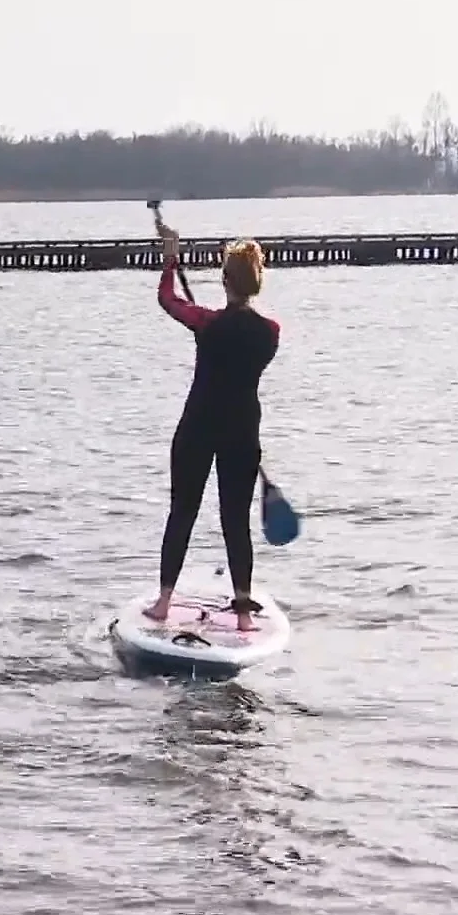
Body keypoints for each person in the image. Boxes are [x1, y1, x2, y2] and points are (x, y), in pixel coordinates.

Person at [144, 220, 279, 632]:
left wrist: (171, 258)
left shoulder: (206, 323)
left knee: (182, 512)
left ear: (224, 280)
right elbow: (232, 331)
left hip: (198, 428)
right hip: (242, 433)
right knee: (235, 521)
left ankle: (164, 603)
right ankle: (242, 615)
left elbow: (169, 299)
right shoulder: (271, 333)